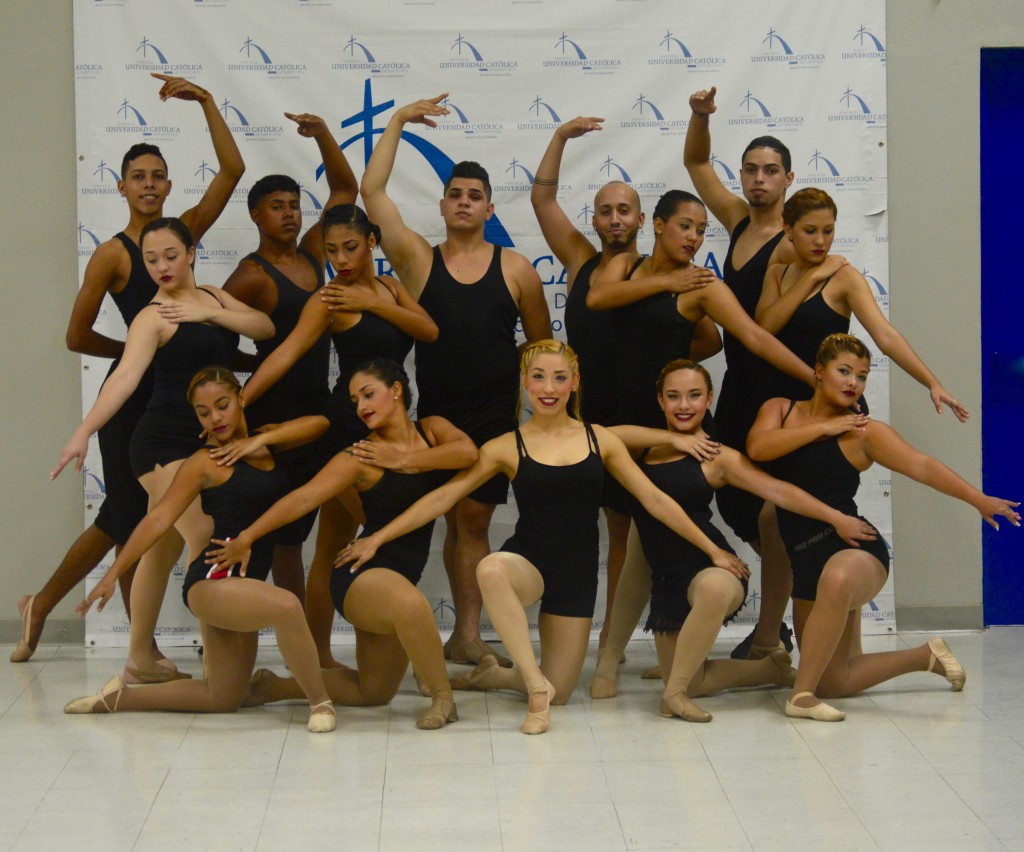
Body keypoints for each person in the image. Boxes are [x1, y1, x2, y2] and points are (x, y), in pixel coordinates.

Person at [337, 340, 749, 735]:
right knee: (493, 569)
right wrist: (376, 538)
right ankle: (534, 688)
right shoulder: (505, 446)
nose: (548, 389)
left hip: (577, 575)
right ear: (525, 382)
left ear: (575, 382)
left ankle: (500, 677)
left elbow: (655, 500)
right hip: (529, 562)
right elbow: (444, 496)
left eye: (558, 378)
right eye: (538, 377)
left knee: (564, 690)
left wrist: (713, 549)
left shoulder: (599, 439)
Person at [14, 73, 244, 663]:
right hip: (137, 407)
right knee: (129, 519)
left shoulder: (182, 233)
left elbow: (231, 172)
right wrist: (140, 355)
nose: (148, 185)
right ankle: (52, 609)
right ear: (121, 186)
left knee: (155, 519)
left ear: (168, 185)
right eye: (137, 177)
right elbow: (75, 335)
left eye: (156, 176)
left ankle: (125, 637)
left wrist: (209, 102)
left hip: (186, 404)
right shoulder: (115, 253)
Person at [359, 93, 551, 667]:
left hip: (495, 413)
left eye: (475, 197)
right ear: (442, 205)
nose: (464, 203)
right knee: (451, 514)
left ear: (490, 209)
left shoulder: (515, 269)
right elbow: (372, 193)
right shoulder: (419, 261)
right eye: (456, 195)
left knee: (473, 518)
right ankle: (455, 633)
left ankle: (466, 633)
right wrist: (394, 121)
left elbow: (542, 349)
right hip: (438, 412)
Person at [742, 187, 971, 655]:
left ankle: (822, 627)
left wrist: (931, 381)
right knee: (774, 519)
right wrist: (808, 280)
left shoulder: (844, 277)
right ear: (788, 231)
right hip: (790, 409)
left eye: (828, 231)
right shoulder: (781, 270)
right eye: (810, 231)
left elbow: (884, 335)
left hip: (836, 410)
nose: (821, 241)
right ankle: (774, 635)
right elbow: (764, 327)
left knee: (811, 511)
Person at [746, 333, 1019, 721]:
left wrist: (978, 499)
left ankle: (801, 697)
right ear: (819, 373)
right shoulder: (779, 410)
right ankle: (926, 656)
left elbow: (921, 465)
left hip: (853, 548)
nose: (853, 383)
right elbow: (758, 448)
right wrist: (824, 428)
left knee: (837, 582)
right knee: (834, 681)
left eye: (861, 376)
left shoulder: (864, 432)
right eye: (844, 372)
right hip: (805, 560)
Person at [52, 217, 274, 683]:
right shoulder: (152, 316)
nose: (161, 268)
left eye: (170, 256)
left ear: (191, 253)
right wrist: (84, 430)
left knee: (161, 547)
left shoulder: (212, 295)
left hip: (205, 437)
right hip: (161, 442)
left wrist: (209, 314)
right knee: (203, 534)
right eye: (151, 260)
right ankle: (217, 666)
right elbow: (126, 377)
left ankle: (139, 658)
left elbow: (264, 327)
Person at [530, 116, 721, 652]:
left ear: (644, 219)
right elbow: (543, 201)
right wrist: (561, 138)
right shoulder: (581, 260)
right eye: (605, 210)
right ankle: (582, 642)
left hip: (645, 422)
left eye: (625, 210)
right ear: (594, 219)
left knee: (636, 532)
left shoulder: (669, 272)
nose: (615, 219)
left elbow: (709, 340)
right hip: (586, 420)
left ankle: (621, 641)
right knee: (588, 532)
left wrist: (666, 353)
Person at [591, 359, 875, 719]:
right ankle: (767, 669)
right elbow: (598, 435)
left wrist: (835, 518)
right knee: (694, 678)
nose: (684, 405)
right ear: (660, 401)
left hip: (711, 567)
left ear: (709, 399)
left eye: (694, 396)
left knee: (711, 598)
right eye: (674, 396)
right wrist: (672, 437)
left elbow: (778, 490)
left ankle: (674, 694)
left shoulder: (717, 455)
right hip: (666, 579)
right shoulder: (644, 448)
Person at [207, 360, 477, 729]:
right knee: (410, 604)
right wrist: (248, 537)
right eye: (355, 400)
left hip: (401, 572)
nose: (361, 406)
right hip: (363, 571)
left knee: (374, 692)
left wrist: (404, 459)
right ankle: (444, 699)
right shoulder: (359, 456)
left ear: (396, 390)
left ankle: (276, 687)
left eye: (368, 394)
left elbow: (468, 453)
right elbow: (303, 499)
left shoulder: (432, 430)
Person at [64, 367, 335, 732]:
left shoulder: (265, 442)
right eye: (203, 412)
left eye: (222, 406)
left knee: (222, 698)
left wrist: (256, 442)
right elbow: (158, 520)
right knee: (286, 605)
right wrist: (113, 574)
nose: (215, 418)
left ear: (241, 399)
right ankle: (320, 704)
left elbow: (319, 423)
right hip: (212, 581)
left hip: (246, 580)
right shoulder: (204, 462)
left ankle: (119, 697)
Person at [241, 204, 438, 667]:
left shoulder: (389, 287)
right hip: (345, 436)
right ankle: (320, 659)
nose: (341, 259)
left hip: (388, 433)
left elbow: (429, 331)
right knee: (335, 545)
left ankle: (370, 642)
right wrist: (243, 404)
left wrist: (373, 303)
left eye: (350, 247)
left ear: (372, 242)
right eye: (331, 251)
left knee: (370, 538)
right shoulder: (328, 299)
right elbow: (286, 353)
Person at [222, 112, 358, 606]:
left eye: (296, 206)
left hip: (317, 409)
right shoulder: (250, 276)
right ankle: (288, 624)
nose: (290, 215)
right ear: (256, 216)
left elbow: (346, 189)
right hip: (270, 415)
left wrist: (323, 135)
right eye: (277, 207)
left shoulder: (312, 254)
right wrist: (249, 372)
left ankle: (311, 628)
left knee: (315, 522)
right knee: (282, 538)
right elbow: (213, 339)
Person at [683, 85, 798, 659]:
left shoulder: (797, 239)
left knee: (777, 516)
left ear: (788, 179)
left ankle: (772, 627)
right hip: (739, 384)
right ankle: (789, 579)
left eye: (770, 171)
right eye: (750, 169)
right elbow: (697, 162)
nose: (757, 179)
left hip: (782, 391)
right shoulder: (734, 221)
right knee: (728, 494)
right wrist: (699, 116)